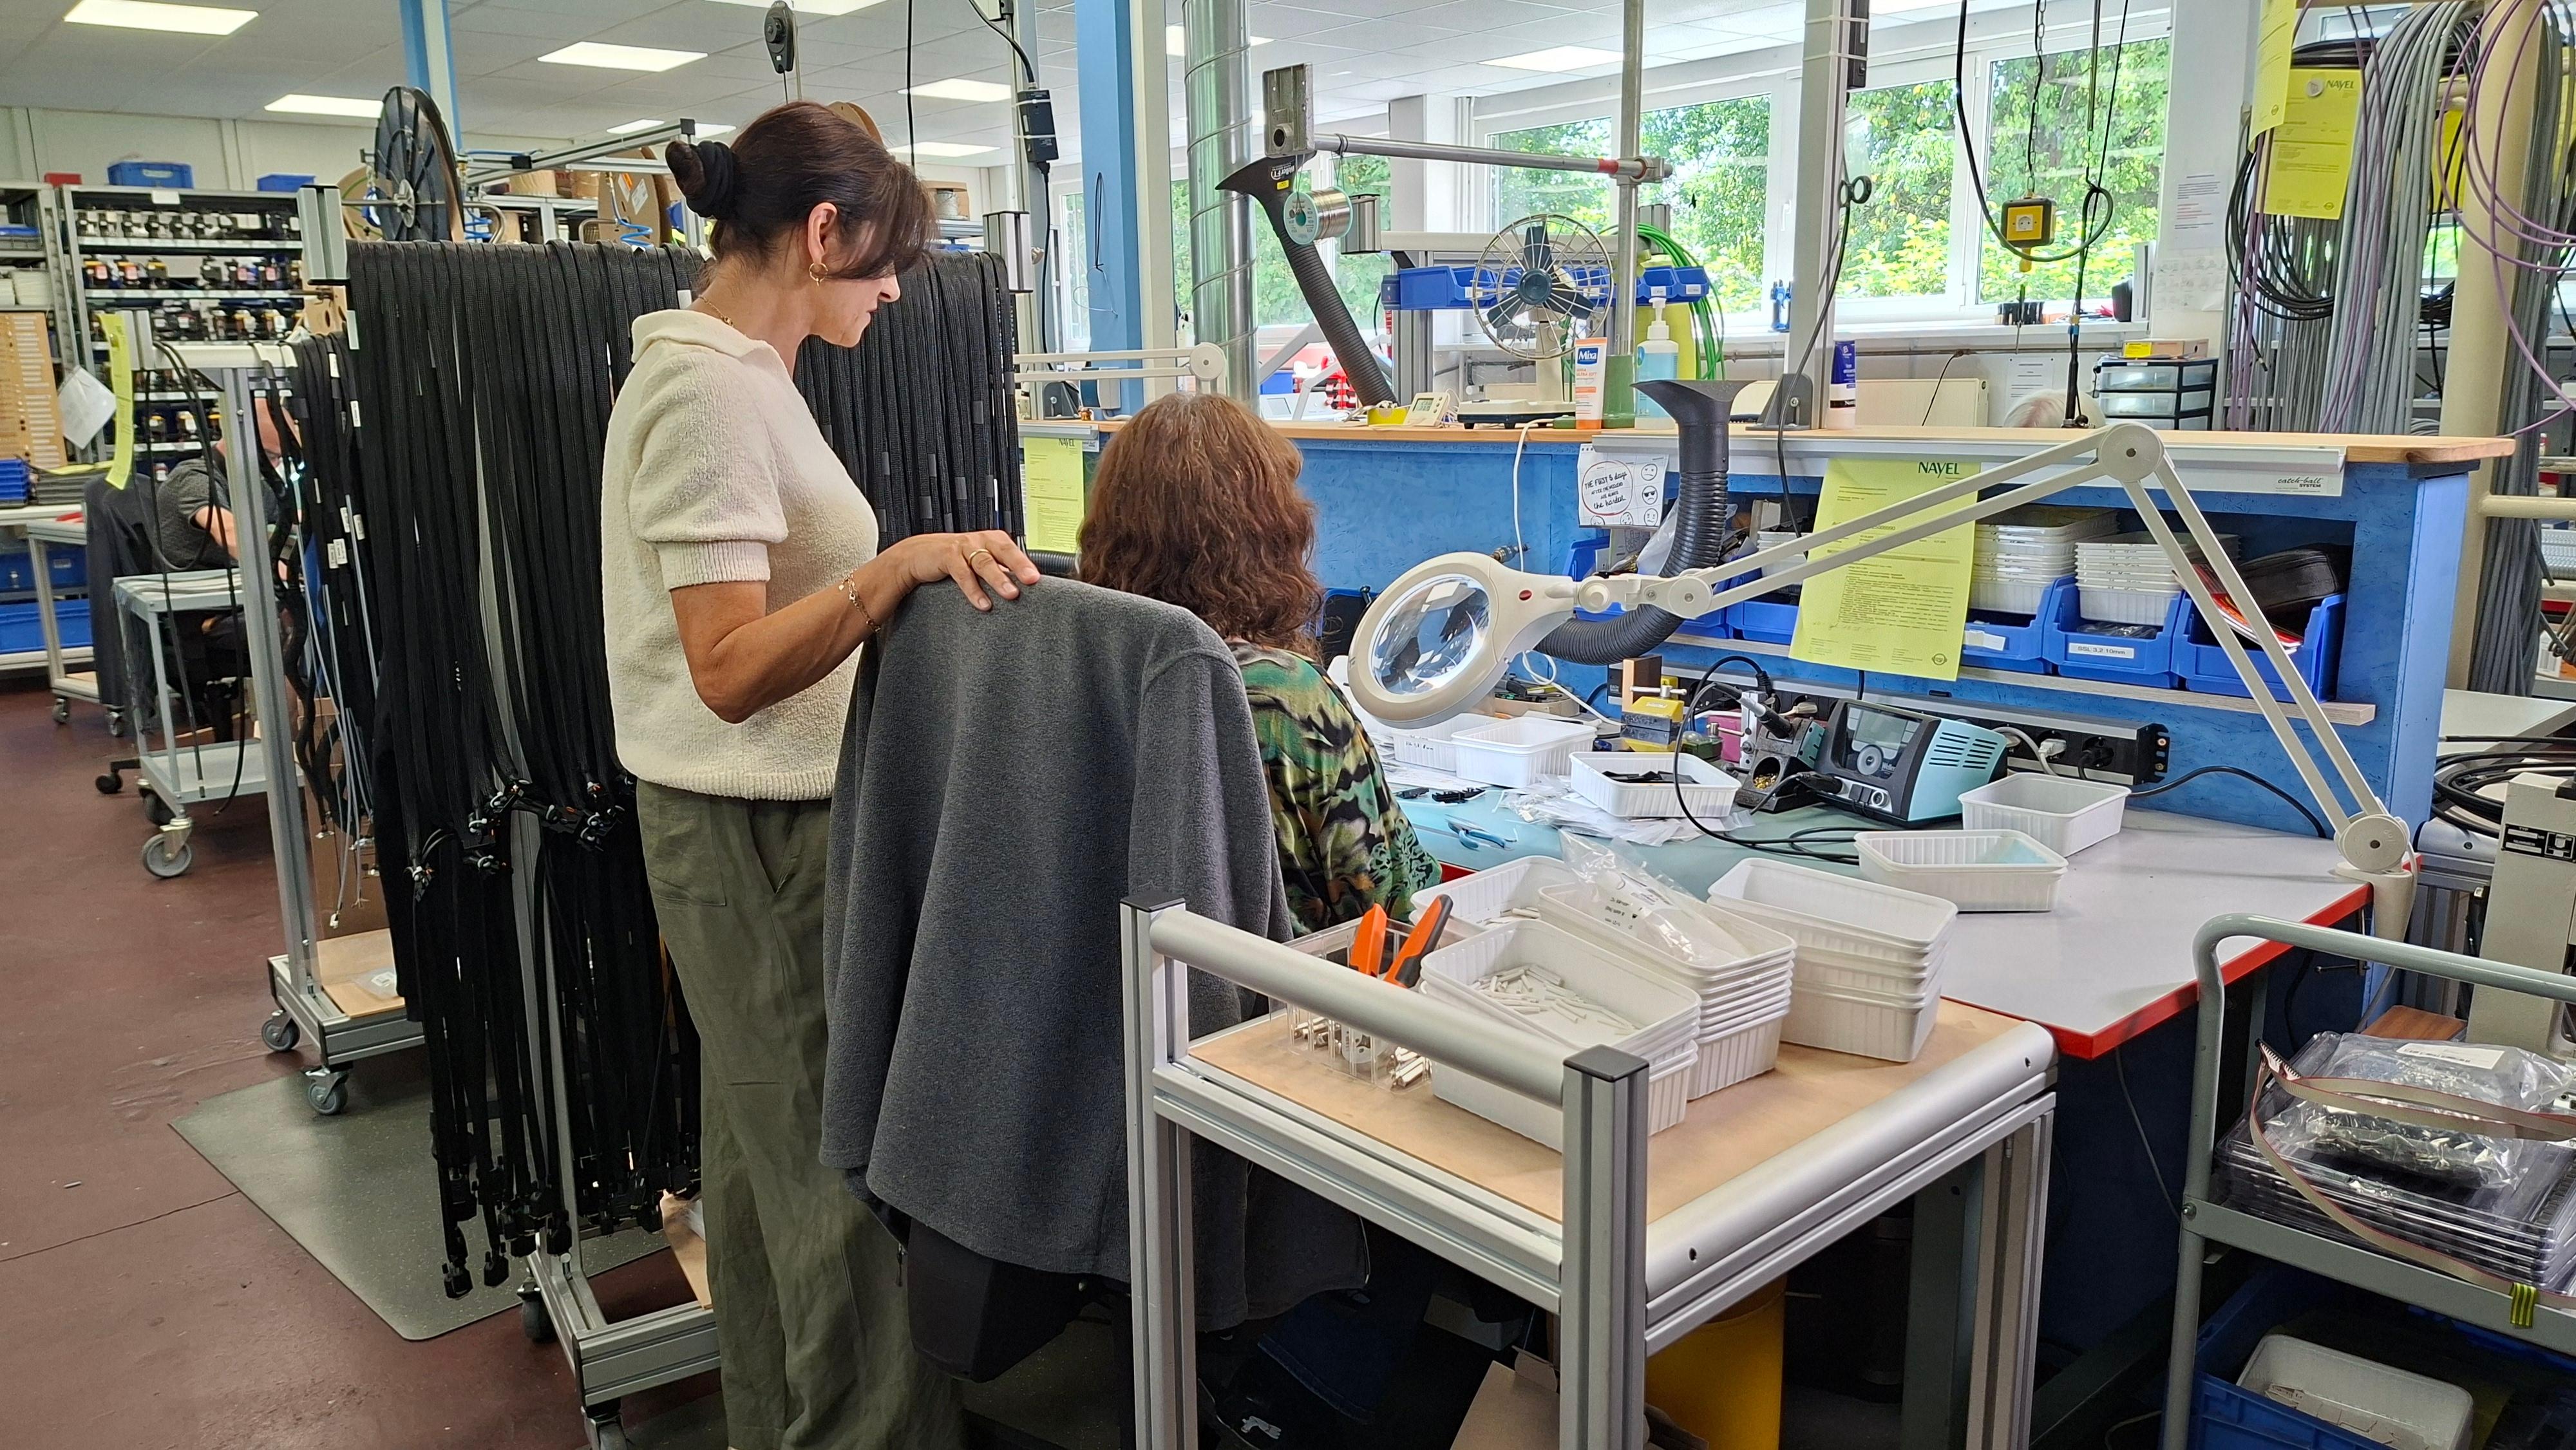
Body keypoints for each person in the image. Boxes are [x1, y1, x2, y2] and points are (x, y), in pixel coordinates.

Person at [600, 100, 1037, 1450]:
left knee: (758, 1172)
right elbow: (727, 668)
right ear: (823, 233)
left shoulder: (740, 377)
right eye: (886, 260)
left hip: (758, 826)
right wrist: (891, 571)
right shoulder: (709, 392)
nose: (898, 290)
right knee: (835, 1181)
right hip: (752, 837)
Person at [1077, 391, 1450, 1442]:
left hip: (1115, 1057)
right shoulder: (1289, 698)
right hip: (1264, 1072)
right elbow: (1391, 913)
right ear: (1266, 532)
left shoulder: (1089, 663)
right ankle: (1295, 1396)